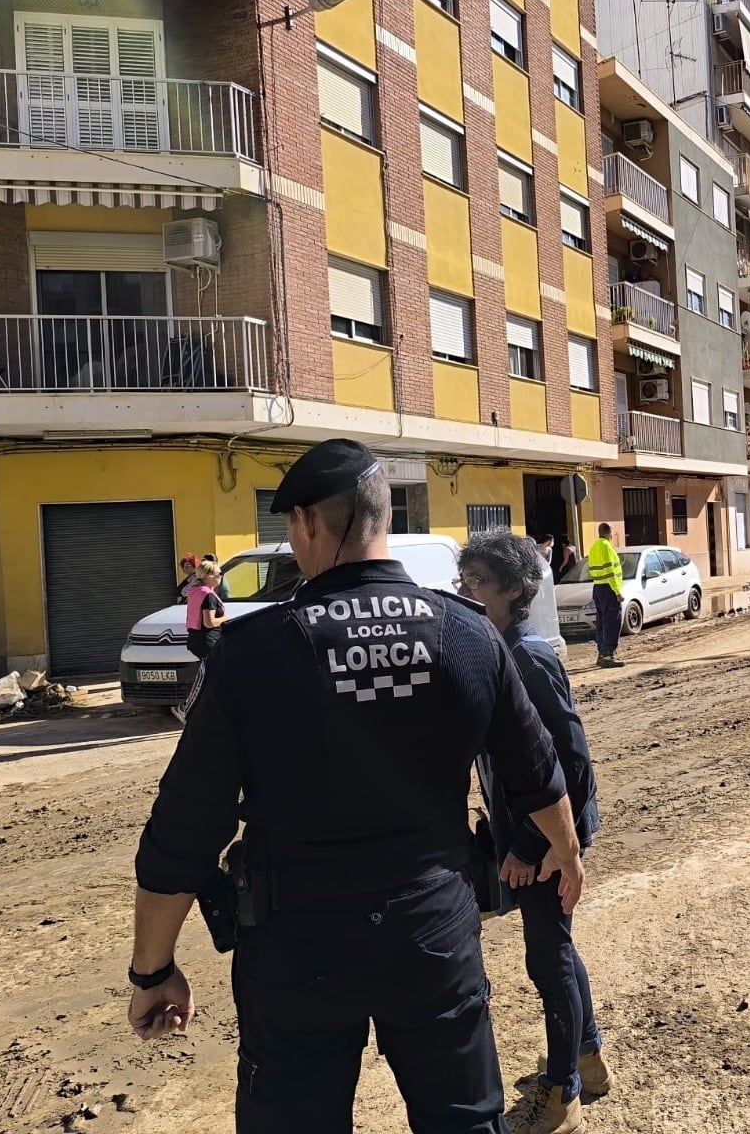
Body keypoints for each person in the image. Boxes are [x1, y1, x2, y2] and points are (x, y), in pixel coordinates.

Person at [128, 438, 586, 1133]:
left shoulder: (253, 654)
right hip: (433, 933)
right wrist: (568, 851)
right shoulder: (467, 634)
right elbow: (536, 771)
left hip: (298, 945)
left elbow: (186, 827)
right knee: (463, 1122)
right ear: (384, 518)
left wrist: (151, 970)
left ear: (309, 522)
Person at [457, 532, 606, 1134]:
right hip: (527, 834)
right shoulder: (497, 648)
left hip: (548, 841)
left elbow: (571, 763)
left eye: (480, 584)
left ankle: (563, 1090)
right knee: (557, 951)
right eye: (463, 583)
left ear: (516, 590)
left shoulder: (527, 656)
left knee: (548, 961)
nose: (467, 594)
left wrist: (533, 846)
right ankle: (588, 1059)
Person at [172, 560, 227, 724]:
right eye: (218, 574)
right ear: (210, 577)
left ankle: (207, 709)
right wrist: (225, 618)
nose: (221, 577)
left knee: (209, 676)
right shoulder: (208, 595)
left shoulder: (195, 591)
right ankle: (185, 706)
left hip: (196, 639)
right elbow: (209, 622)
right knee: (210, 677)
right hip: (207, 641)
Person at [587, 523, 624, 669]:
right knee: (612, 621)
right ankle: (608, 655)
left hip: (598, 587)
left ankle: (602, 652)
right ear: (610, 533)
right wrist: (617, 591)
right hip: (608, 588)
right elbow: (610, 571)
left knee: (602, 621)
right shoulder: (607, 547)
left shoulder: (594, 547)